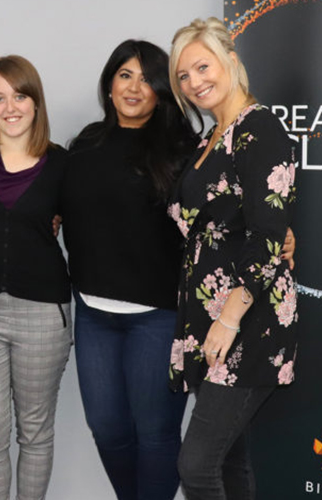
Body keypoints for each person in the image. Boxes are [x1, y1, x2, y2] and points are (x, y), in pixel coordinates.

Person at [167, 17, 298, 499]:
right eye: (183, 76)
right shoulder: (211, 137)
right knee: (229, 462)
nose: (194, 82)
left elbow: (267, 234)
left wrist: (227, 320)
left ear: (231, 61)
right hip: (211, 320)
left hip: (246, 322)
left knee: (197, 465)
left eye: (202, 67)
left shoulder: (259, 127)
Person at [63, 40, 196, 500]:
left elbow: (219, 215)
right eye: (125, 75)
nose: (134, 87)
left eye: (146, 79)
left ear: (162, 91)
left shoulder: (183, 150)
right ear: (109, 84)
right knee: (107, 428)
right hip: (94, 313)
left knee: (156, 433)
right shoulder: (85, 144)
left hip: (158, 317)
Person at [0, 55, 71, 500]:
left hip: (43, 312)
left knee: (35, 431)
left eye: (20, 96)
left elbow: (95, 224)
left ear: (36, 102)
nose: (10, 108)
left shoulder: (62, 163)